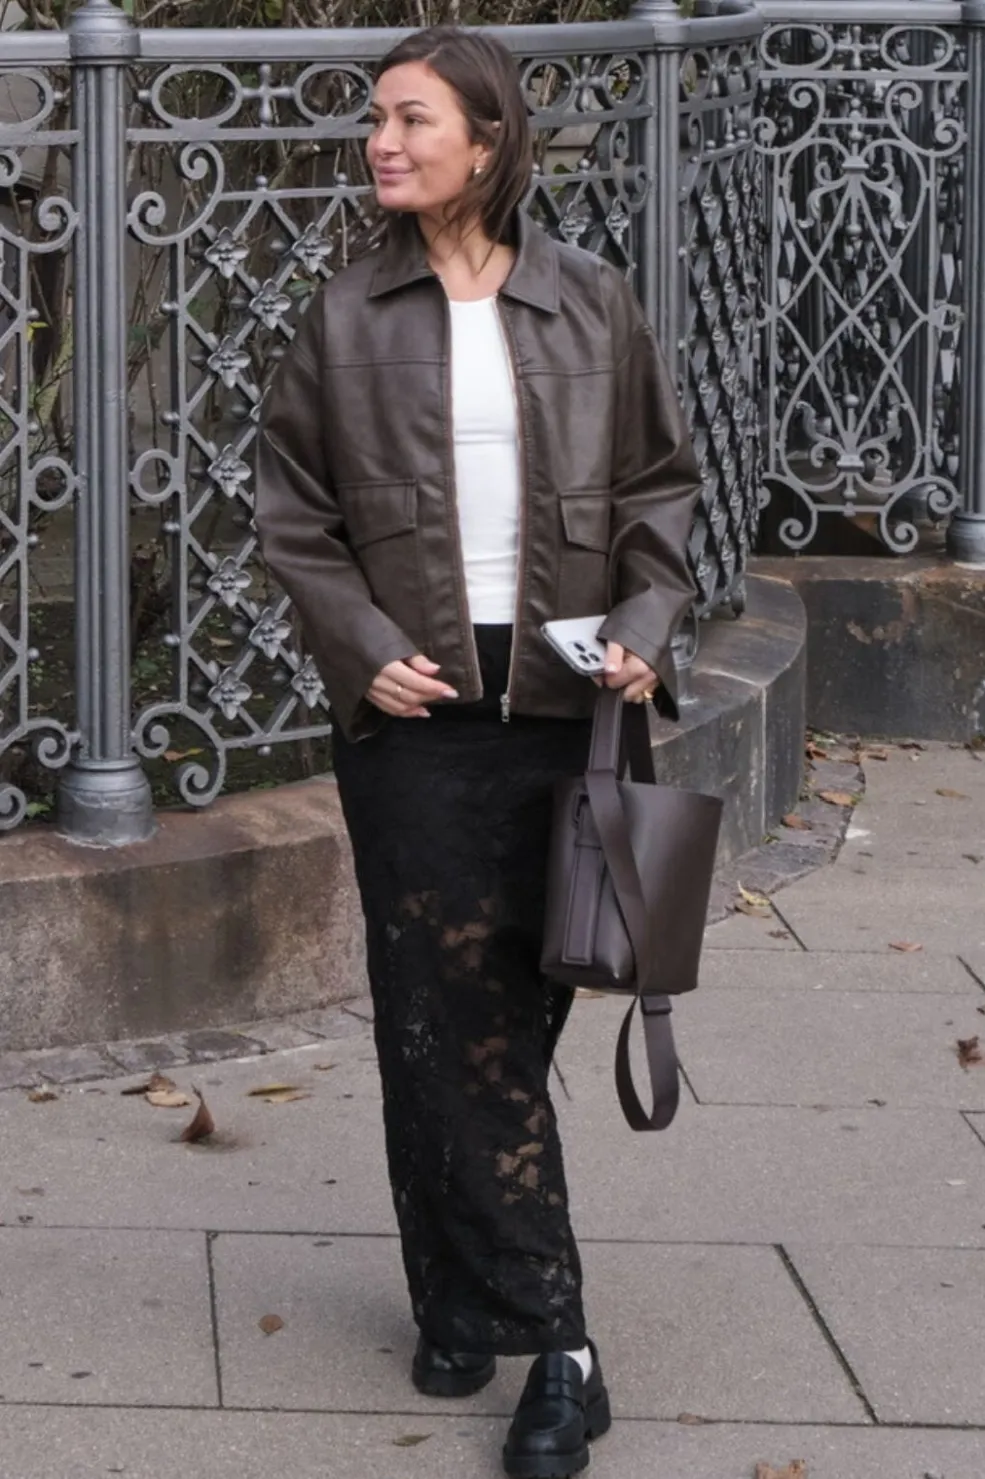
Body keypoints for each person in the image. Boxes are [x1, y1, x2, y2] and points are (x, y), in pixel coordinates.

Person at [255, 25, 701, 1478]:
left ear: (489, 140)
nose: (381, 143)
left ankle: (455, 1297)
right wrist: (359, 643)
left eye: (412, 119)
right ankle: (560, 1346)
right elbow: (292, 511)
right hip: (418, 720)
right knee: (456, 1023)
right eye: (376, 119)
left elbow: (659, 487)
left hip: (571, 708)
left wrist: (646, 621)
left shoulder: (591, 300)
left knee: (488, 1020)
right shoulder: (344, 314)